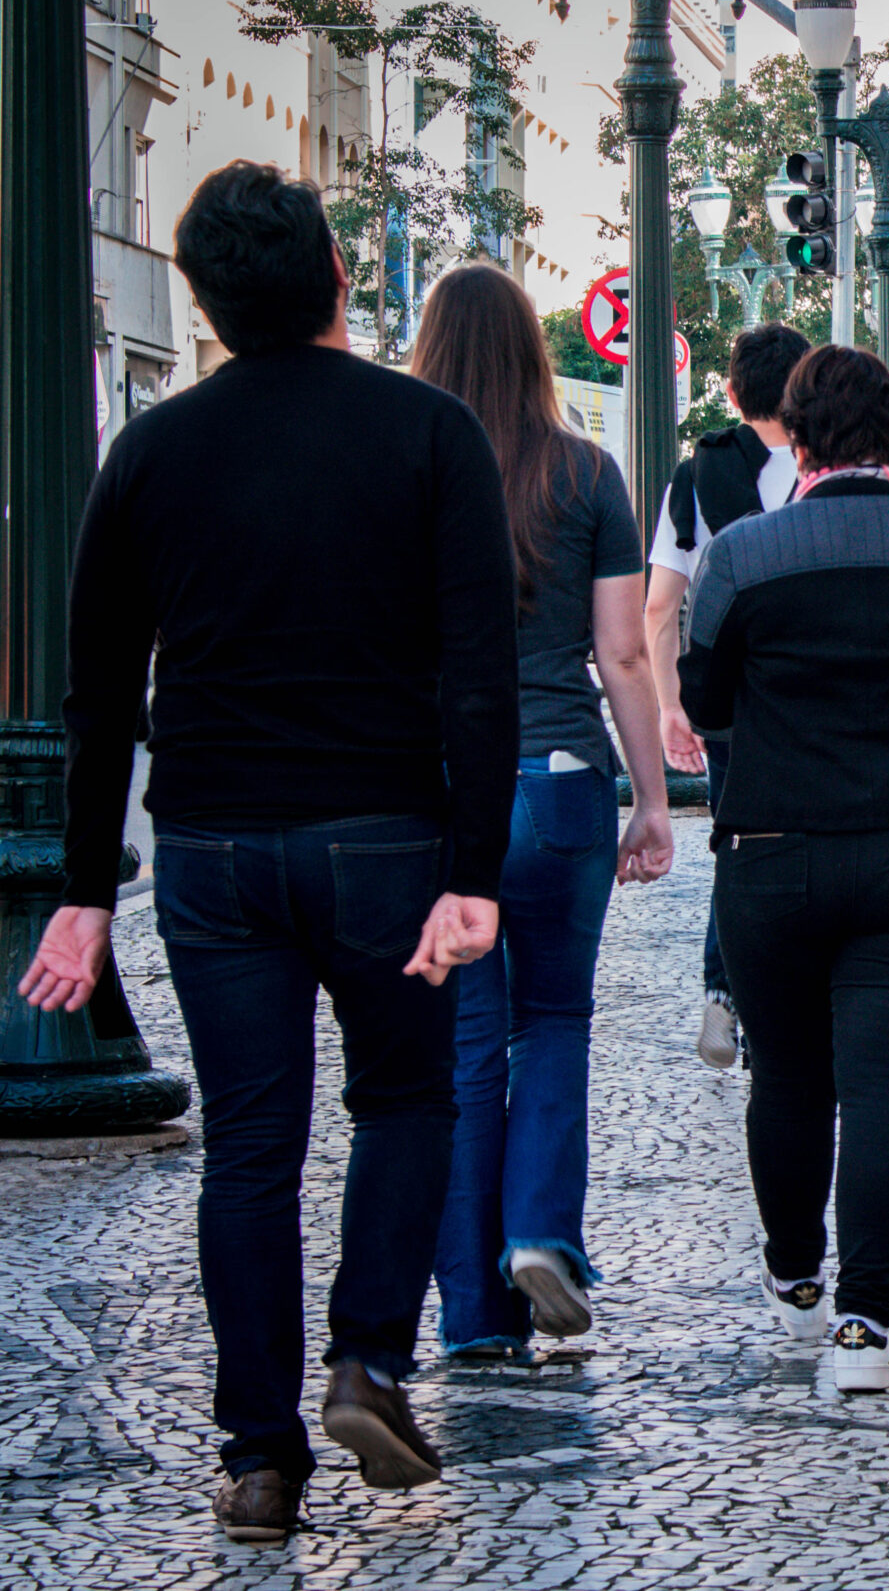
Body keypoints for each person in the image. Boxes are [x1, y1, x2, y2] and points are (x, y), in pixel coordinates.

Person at [19, 162, 517, 1541]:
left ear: (204, 301)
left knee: (249, 1142)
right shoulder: (427, 434)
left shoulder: (153, 453)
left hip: (213, 841)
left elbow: (100, 688)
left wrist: (79, 893)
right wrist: (474, 866)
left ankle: (256, 1454)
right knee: (408, 1102)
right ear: (340, 278)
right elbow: (478, 669)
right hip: (385, 837)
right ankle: (367, 1356)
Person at [680, 344, 889, 1395]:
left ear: (795, 432)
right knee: (885, 1088)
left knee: (787, 1074)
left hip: (772, 856)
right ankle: (867, 1328)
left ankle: (793, 1268)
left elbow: (704, 702)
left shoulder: (743, 553)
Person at [406, 265, 676, 1362]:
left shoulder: (402, 466)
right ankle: (541, 1236)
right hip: (562, 779)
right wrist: (652, 797)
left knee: (465, 1048)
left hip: (437, 790)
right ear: (531, 349)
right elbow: (621, 650)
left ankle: (471, 1312)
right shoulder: (585, 473)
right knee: (554, 1021)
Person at [644, 323, 811, 1072]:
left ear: (734, 392)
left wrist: (670, 703)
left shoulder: (695, 473)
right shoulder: (826, 465)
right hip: (812, 692)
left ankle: (723, 989)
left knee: (735, 842)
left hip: (729, 697)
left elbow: (657, 608)